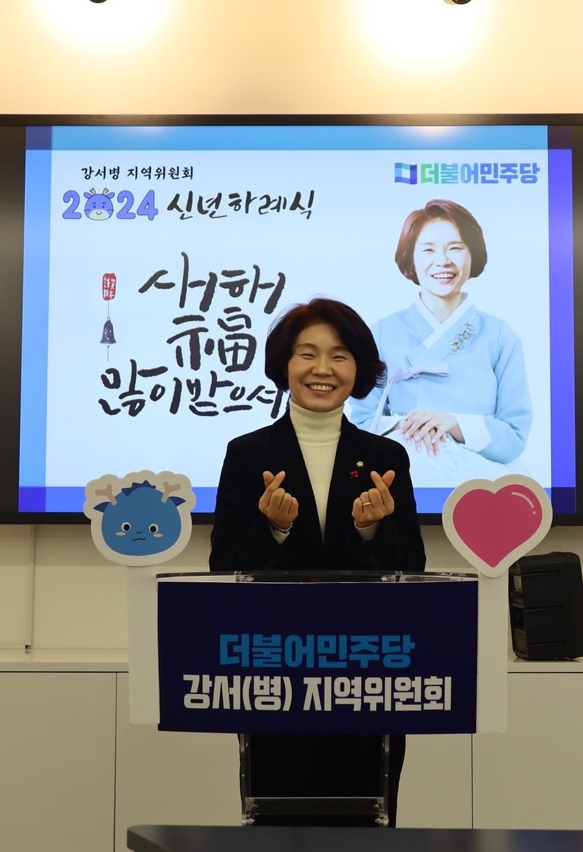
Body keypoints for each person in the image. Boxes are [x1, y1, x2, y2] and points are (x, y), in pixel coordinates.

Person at [209, 297, 425, 826]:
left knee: (367, 818)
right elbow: (224, 565)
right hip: (276, 670)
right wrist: (275, 529)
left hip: (368, 670)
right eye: (307, 354)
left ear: (359, 369)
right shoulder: (248, 454)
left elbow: (412, 567)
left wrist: (371, 529)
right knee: (276, 819)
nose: (322, 369)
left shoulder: (386, 457)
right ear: (284, 365)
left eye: (339, 355)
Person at [350, 199, 532, 487]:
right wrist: (408, 424)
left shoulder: (500, 335)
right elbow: (361, 422)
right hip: (402, 474)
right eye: (428, 250)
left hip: (484, 479)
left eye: (455, 248)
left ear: (473, 254)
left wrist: (453, 423)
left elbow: (515, 434)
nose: (442, 261)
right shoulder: (382, 333)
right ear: (411, 258)